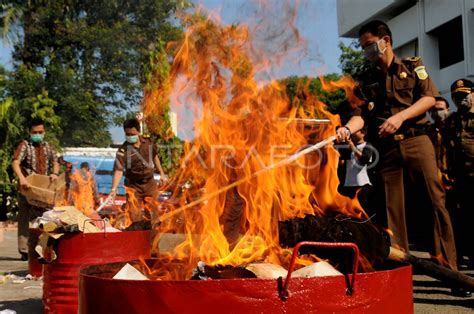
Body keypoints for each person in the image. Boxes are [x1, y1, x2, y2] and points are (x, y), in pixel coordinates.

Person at [335, 20, 466, 296]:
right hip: (387, 151)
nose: (367, 51)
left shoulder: (412, 67)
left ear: (386, 41)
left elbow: (429, 99)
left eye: (369, 44)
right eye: (363, 47)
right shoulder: (367, 80)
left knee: (435, 204)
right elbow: (361, 115)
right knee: (392, 212)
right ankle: (399, 278)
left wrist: (401, 116)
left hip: (418, 141)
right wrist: (347, 128)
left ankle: (452, 272)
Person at [12, 118, 59, 260]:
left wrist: (55, 173)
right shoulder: (25, 145)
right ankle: (25, 251)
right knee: (24, 219)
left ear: (44, 132)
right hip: (27, 188)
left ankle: (44, 248)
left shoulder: (48, 146)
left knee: (47, 218)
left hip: (43, 191)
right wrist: (22, 178)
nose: (38, 134)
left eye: (40, 132)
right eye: (35, 132)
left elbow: (55, 161)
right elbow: (15, 162)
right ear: (29, 132)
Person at [110, 118, 166, 224]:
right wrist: (113, 189)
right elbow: (118, 170)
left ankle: (152, 238)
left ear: (138, 131)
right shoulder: (123, 150)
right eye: (127, 134)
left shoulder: (148, 143)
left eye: (132, 134)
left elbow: (155, 157)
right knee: (134, 217)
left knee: (153, 215)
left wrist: (161, 173)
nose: (129, 137)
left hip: (150, 184)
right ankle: (136, 236)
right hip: (133, 187)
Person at [444, 79, 474, 269]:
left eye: (464, 95)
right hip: (461, 178)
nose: (459, 99)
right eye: (456, 96)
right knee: (465, 219)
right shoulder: (452, 120)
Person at [338, 128, 375, 212]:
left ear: (363, 134)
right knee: (349, 211)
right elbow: (342, 163)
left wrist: (353, 148)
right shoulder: (349, 147)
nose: (353, 133)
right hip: (348, 185)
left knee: (363, 211)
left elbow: (364, 160)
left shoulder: (367, 145)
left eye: (356, 131)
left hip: (362, 185)